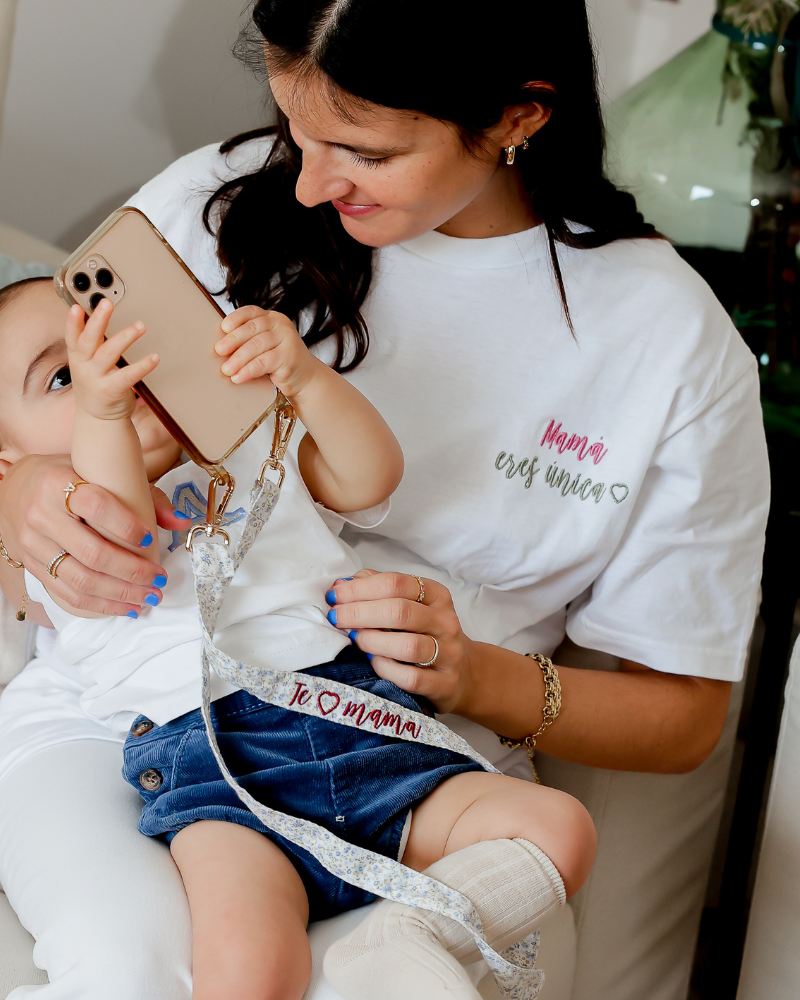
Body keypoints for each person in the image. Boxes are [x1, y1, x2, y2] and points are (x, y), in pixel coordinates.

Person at [0, 2, 769, 998]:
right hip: (136, 708)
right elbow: (37, 394)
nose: (309, 182)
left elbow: (684, 717)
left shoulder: (665, 344)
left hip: (410, 742)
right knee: (131, 965)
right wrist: (20, 495)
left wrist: (473, 677)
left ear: (515, 118)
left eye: (360, 149)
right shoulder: (209, 203)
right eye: (292, 126)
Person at [0, 276, 593, 1000]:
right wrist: (104, 412)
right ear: (9, 464)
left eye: (127, 342)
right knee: (250, 973)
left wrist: (304, 379)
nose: (115, 369)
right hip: (222, 775)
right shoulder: (63, 547)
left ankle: (408, 934)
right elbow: (122, 518)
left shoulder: (247, 455)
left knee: (559, 829)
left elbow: (370, 475)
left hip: (363, 729)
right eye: (66, 374)